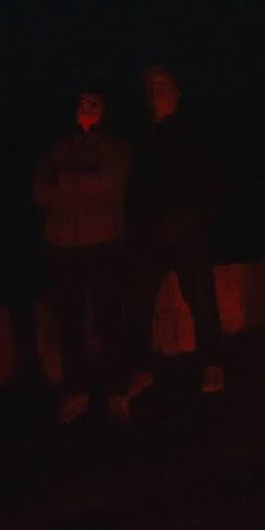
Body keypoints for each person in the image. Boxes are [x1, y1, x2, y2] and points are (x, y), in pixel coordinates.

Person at [32, 90, 132, 422]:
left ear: (105, 110)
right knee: (69, 323)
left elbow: (112, 186)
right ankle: (77, 392)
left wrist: (65, 183)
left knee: (110, 320)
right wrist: (87, 185)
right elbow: (39, 190)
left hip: (104, 244)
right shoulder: (55, 147)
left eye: (96, 103)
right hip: (62, 247)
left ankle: (118, 391)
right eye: (83, 102)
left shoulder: (116, 146)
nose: (88, 108)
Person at [126, 65, 225, 398]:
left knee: (201, 298)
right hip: (146, 229)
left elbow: (210, 179)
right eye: (150, 85)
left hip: (188, 229)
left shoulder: (193, 131)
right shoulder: (136, 132)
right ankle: (141, 368)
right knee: (139, 301)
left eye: (162, 84)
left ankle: (212, 364)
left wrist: (193, 217)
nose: (155, 90)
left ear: (177, 90)